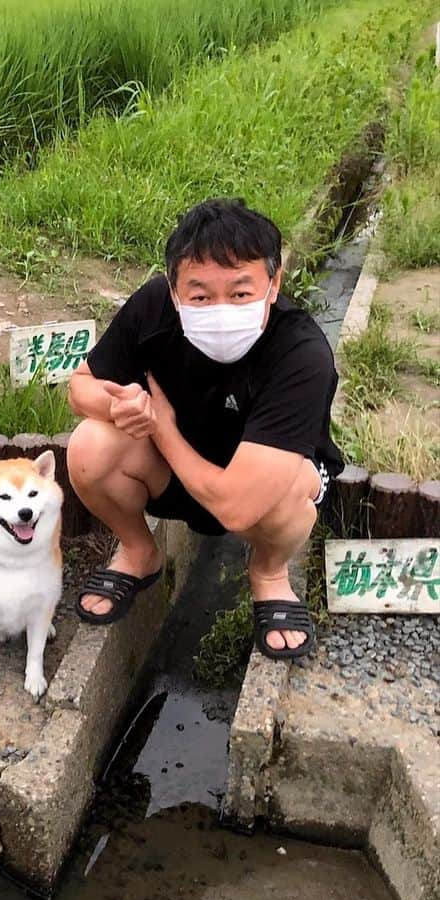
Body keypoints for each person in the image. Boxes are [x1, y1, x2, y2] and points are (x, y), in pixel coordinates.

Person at [66, 198, 343, 659]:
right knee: (90, 445)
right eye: (199, 295)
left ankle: (269, 574)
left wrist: (163, 428)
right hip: (176, 479)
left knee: (295, 488)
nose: (220, 309)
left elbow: (237, 509)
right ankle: (139, 551)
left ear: (273, 285)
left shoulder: (301, 353)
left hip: (258, 492)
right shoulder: (152, 308)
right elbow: (81, 388)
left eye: (240, 293)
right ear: (174, 291)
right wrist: (123, 406)